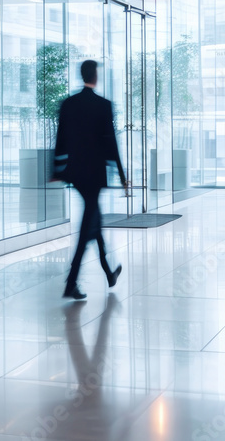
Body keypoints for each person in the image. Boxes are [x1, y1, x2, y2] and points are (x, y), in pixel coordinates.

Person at [52, 60, 128, 300]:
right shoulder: (103, 106)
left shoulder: (68, 105)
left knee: (93, 221)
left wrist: (56, 169)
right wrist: (123, 175)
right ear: (95, 76)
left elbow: (60, 140)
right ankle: (71, 282)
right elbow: (111, 144)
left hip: (75, 173)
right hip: (95, 174)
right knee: (88, 227)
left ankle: (108, 273)